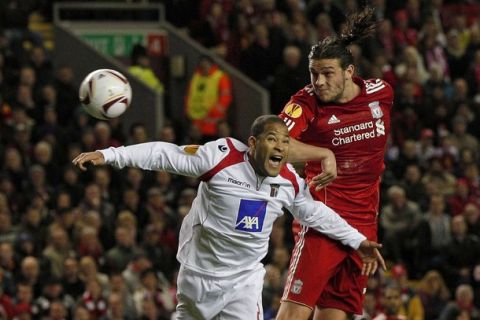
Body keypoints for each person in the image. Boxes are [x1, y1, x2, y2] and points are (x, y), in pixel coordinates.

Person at [72, 115, 385, 320]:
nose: (281, 146)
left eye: (286, 141)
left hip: (244, 280)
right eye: (273, 139)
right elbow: (165, 155)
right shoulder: (220, 157)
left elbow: (314, 212)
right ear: (253, 143)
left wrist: (357, 240)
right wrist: (111, 155)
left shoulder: (288, 180)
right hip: (199, 274)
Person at [276, 7, 394, 320]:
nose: (319, 81)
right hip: (322, 222)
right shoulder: (305, 102)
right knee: (294, 312)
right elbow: (274, 144)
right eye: (313, 73)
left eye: (328, 73)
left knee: (336, 314)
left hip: (364, 225)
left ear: (349, 72)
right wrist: (322, 154)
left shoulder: (381, 93)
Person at [184, 55, 232, 140]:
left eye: (206, 66)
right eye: (202, 66)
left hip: (213, 121)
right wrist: (188, 111)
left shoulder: (220, 77)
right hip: (195, 121)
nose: (204, 68)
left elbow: (225, 97)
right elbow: (189, 95)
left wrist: (214, 112)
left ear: (212, 65)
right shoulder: (196, 77)